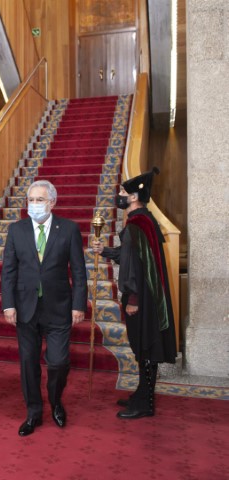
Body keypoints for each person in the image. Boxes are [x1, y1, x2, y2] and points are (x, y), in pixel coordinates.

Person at [1, 180, 87, 436]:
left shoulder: (69, 229)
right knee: (28, 363)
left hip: (59, 307)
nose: (34, 205)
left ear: (52, 202)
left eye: (40, 200)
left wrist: (78, 304)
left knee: (59, 362)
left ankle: (56, 401)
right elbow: (8, 271)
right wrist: (8, 304)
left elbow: (79, 272)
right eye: (31, 200)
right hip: (25, 308)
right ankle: (34, 412)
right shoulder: (17, 230)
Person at [92, 167, 176, 419]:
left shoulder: (138, 223)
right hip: (147, 293)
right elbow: (131, 255)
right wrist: (105, 251)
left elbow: (132, 265)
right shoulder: (142, 221)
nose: (118, 195)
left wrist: (133, 298)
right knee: (143, 346)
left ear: (133, 197)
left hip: (142, 297)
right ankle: (142, 393)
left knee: (146, 345)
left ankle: (145, 404)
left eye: (122, 192)